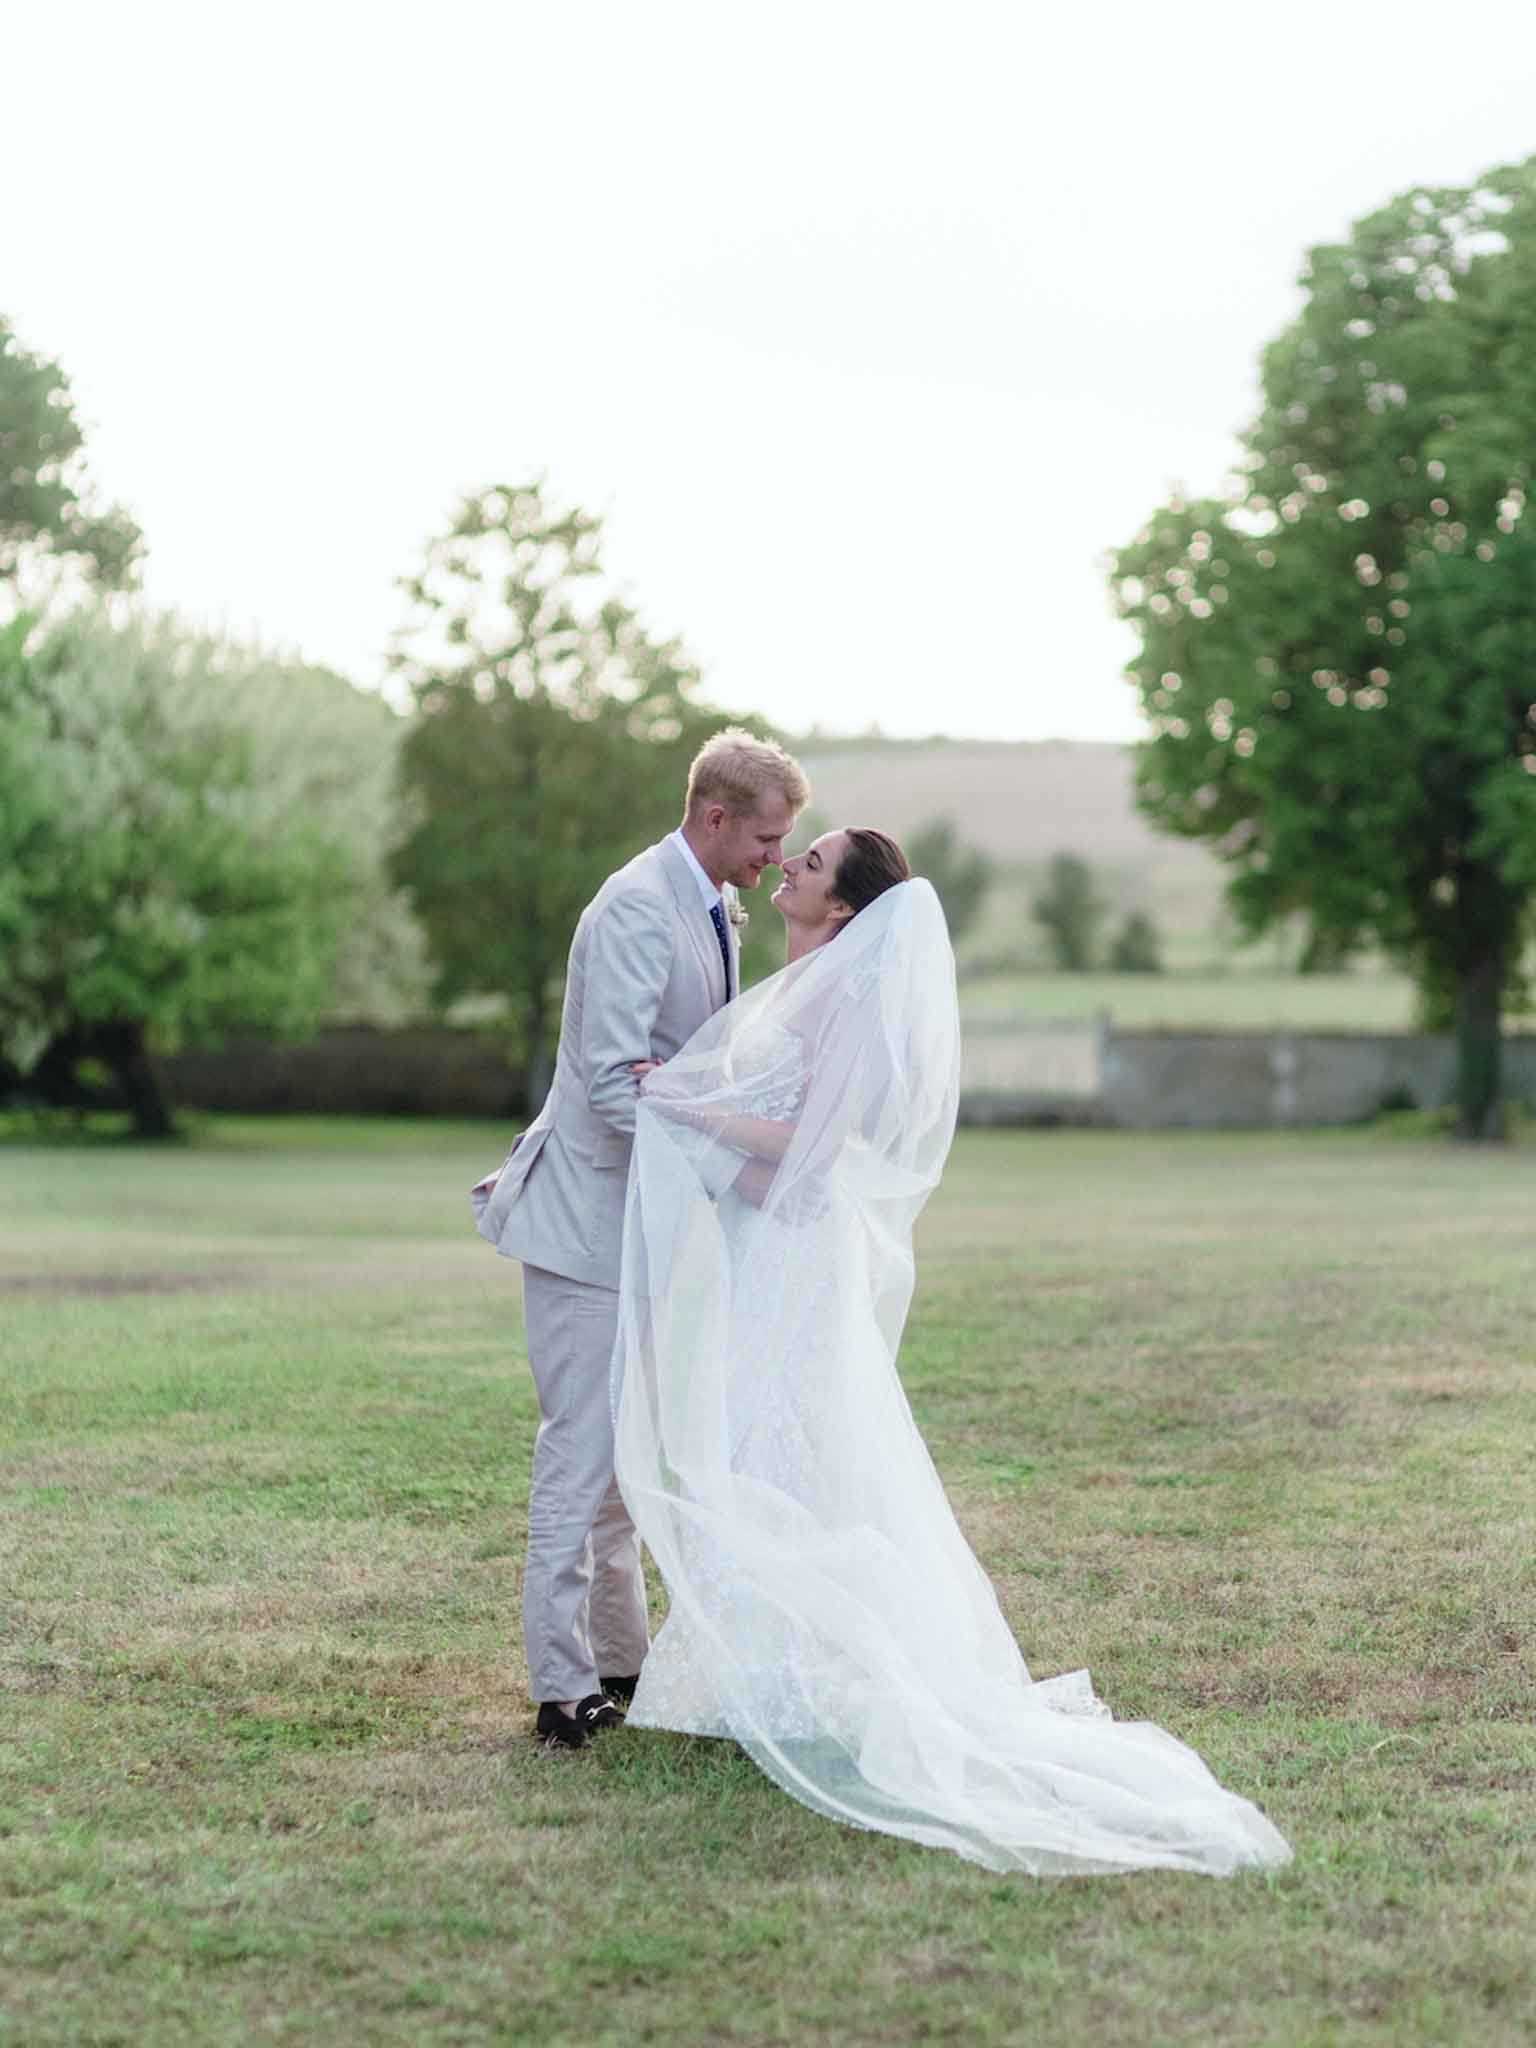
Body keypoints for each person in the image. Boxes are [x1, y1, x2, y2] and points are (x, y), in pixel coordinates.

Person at [612, 827, 1293, 1877]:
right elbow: (773, 1159)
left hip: (797, 1257)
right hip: (765, 1243)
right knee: (756, 1439)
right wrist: (705, 1151)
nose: (789, 864)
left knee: (776, 1442)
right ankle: (744, 1671)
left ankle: (796, 1677)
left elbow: (812, 1152)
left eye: (811, 862)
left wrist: (681, 1102)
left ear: (845, 907)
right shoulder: (805, 983)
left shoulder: (846, 1002)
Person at [471, 729, 810, 1749]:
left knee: (625, 1467)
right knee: (578, 1459)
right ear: (715, 816)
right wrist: (733, 1171)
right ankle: (560, 1688)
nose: (775, 859)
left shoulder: (709, 903)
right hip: (586, 1227)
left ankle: (619, 1662)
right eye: (765, 839)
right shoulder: (633, 906)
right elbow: (615, 1086)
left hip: (645, 1227)